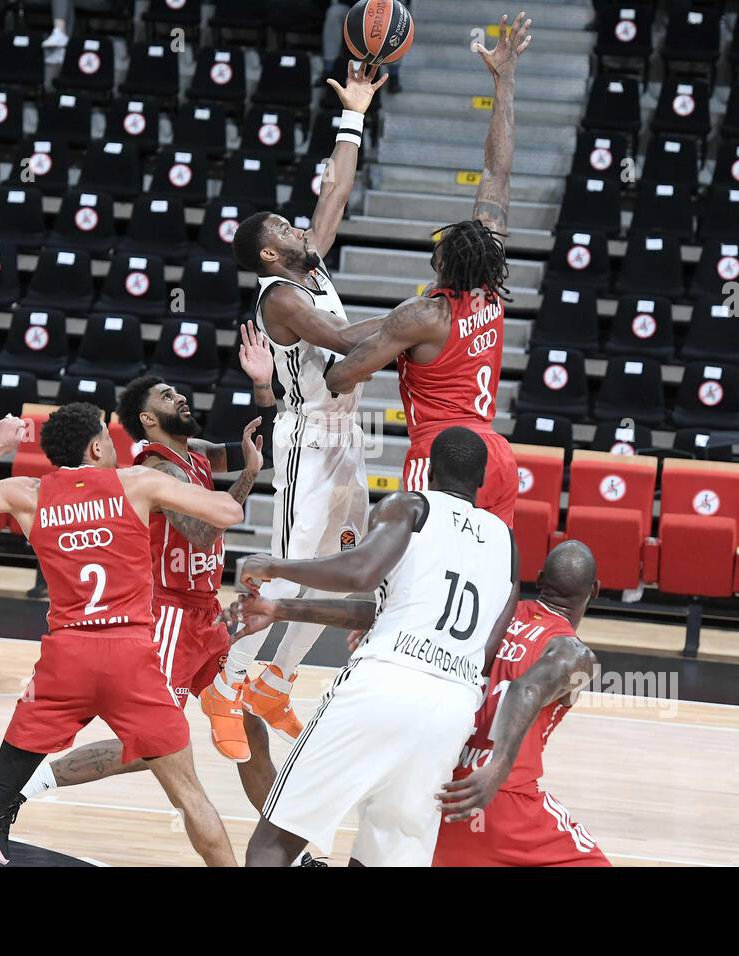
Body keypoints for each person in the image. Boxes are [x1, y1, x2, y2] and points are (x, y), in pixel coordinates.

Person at [0, 322, 281, 864]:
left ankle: (287, 846)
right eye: (167, 395)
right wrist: (248, 478)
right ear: (148, 418)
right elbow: (207, 532)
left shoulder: (199, 454)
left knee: (248, 724)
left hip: (204, 613)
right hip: (165, 615)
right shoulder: (154, 468)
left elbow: (266, 446)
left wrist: (262, 387)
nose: (181, 396)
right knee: (153, 752)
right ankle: (15, 787)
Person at [0, 406, 245, 866]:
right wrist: (190, 468)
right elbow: (228, 511)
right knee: (189, 795)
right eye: (109, 439)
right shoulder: (137, 483)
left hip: (67, 658)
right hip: (131, 658)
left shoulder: (30, 493)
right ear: (96, 447)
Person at [223, 426, 520, 866]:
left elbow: (361, 572)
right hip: (451, 707)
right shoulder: (506, 543)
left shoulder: (410, 505)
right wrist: (281, 608)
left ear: (428, 470)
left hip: (383, 683)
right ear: (480, 480)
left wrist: (273, 564)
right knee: (384, 857)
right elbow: (480, 646)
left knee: (275, 842)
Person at [214, 60, 390, 759]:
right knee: (289, 572)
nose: (298, 226)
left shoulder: (307, 266)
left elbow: (336, 191)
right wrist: (413, 329)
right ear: (267, 251)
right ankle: (225, 685)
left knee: (352, 569)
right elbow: (344, 341)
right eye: (285, 226)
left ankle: (276, 684)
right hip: (308, 442)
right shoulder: (278, 297)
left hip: (346, 439)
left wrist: (355, 113)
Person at [322, 13, 533, 528]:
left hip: (440, 455)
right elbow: (497, 171)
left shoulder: (424, 314)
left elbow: (342, 374)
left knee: (414, 575)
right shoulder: (489, 284)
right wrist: (505, 81)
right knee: (484, 571)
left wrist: (367, 343)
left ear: (441, 264)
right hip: (495, 454)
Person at [433, 540, 609, 867]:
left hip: (435, 788)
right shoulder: (575, 654)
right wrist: (496, 769)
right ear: (595, 589)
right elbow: (523, 688)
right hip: (497, 796)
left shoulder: (492, 615)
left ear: (540, 579)